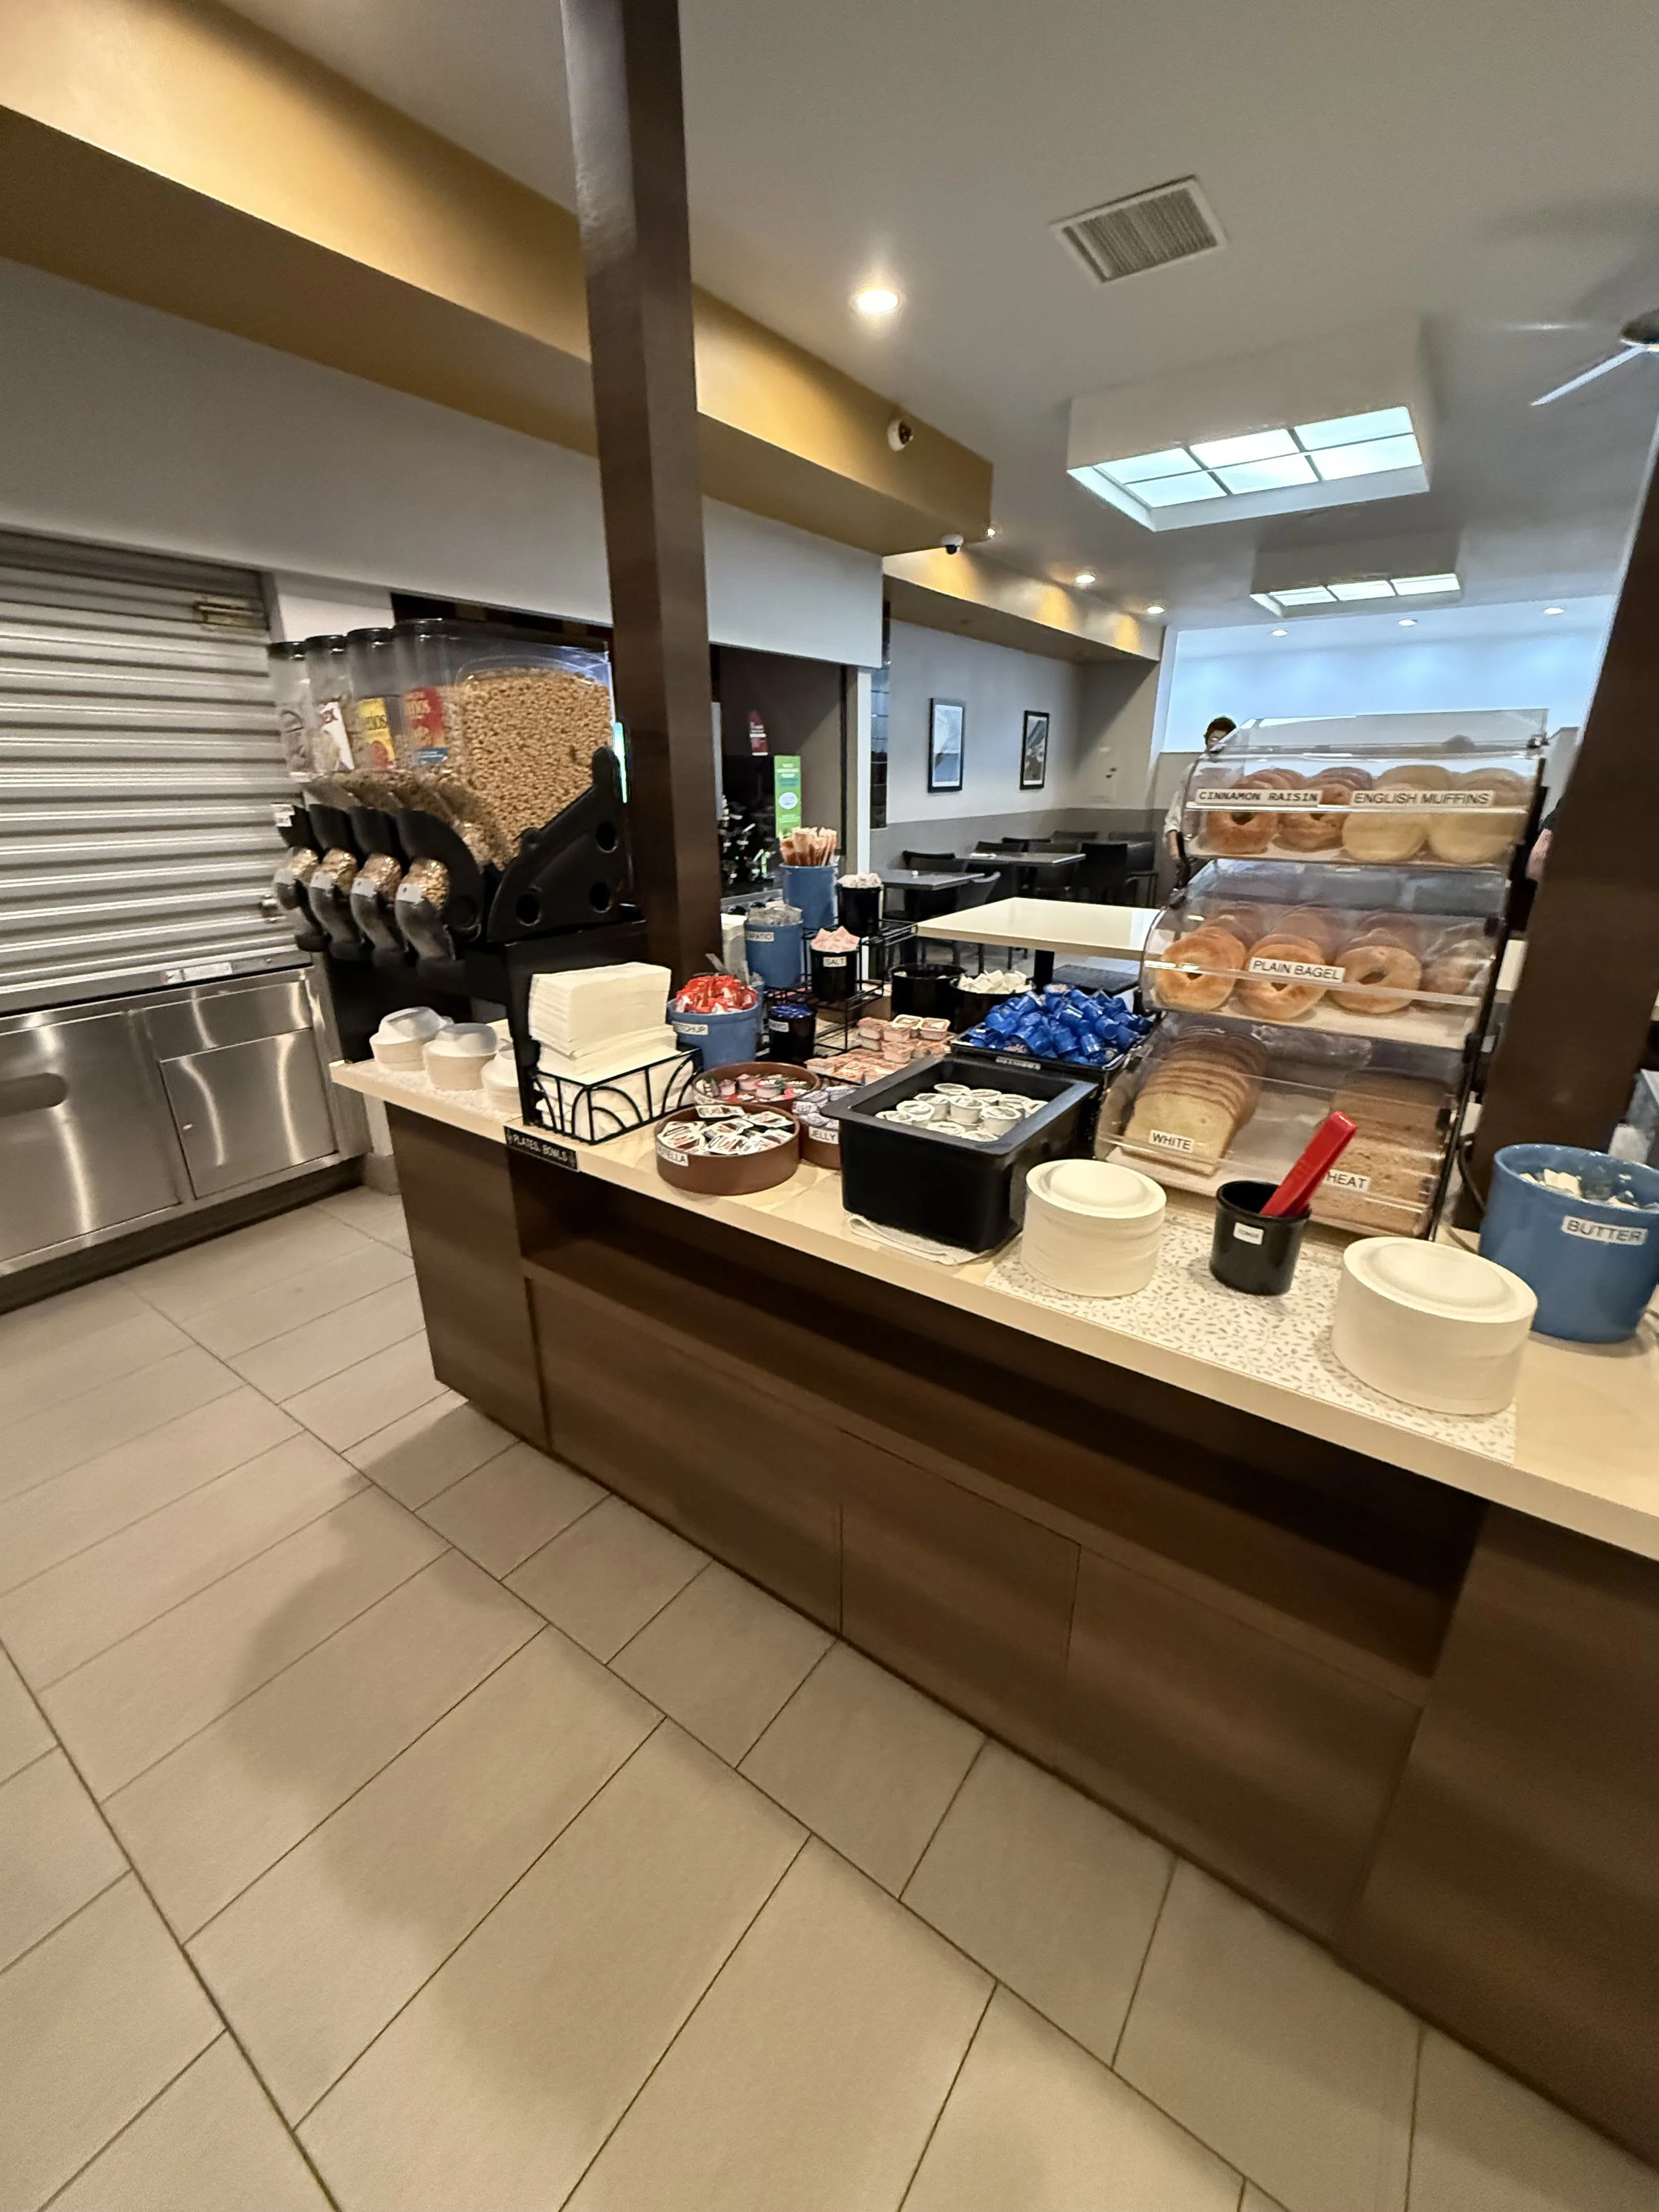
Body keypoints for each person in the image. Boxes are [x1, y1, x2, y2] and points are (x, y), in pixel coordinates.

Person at [1163, 716, 1236, 879]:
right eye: (1214, 739)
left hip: (1224, 856)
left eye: (1224, 741)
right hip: (1193, 854)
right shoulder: (1193, 772)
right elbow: (1175, 815)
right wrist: (1177, 853)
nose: (1217, 745)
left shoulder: (1237, 775)